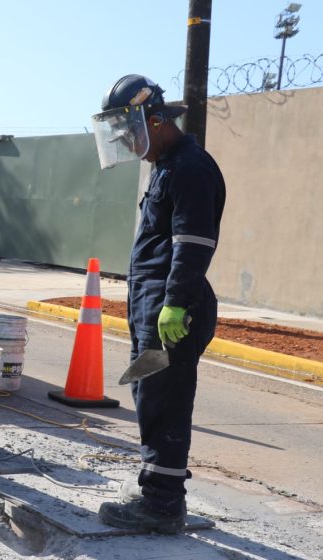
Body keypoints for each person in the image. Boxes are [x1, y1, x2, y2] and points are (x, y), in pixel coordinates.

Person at [91, 74, 226, 533]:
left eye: (132, 133)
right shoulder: (167, 165)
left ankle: (163, 504)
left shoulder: (190, 167)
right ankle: (156, 485)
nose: (130, 145)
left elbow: (192, 241)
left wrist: (174, 302)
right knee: (149, 393)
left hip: (173, 308)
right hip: (156, 302)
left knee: (164, 398)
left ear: (155, 121)